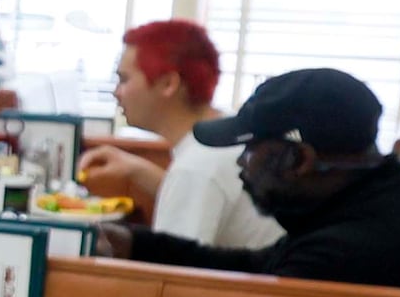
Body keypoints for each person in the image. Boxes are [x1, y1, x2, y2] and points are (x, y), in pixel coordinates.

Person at [102, 67, 400, 294]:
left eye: (249, 151)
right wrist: (136, 244)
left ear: (300, 159)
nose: (242, 166)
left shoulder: (345, 251)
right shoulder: (377, 204)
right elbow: (258, 265)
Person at [75, 18, 281, 253]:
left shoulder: (198, 165)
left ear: (168, 84)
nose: (116, 92)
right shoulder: (225, 134)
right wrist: (136, 169)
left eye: (124, 79)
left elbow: (170, 275)